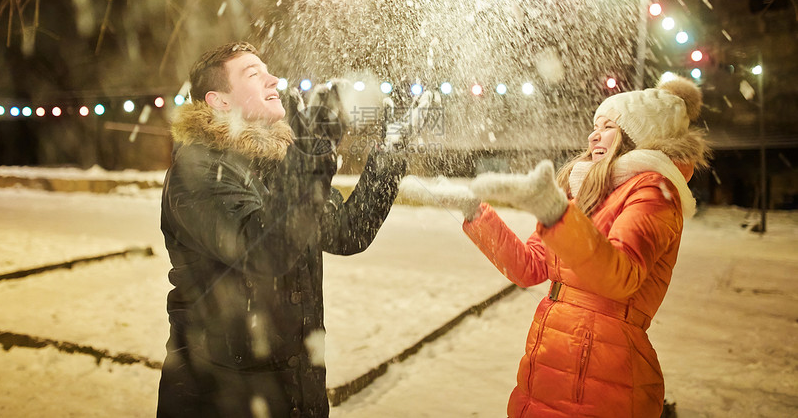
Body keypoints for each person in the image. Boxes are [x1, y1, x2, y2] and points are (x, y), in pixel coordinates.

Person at [157, 42, 406, 418]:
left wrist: (391, 152)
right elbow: (263, 250)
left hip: (296, 391)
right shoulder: (197, 172)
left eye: (267, 69)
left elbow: (347, 231)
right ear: (219, 101)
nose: (273, 79)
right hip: (221, 397)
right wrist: (309, 150)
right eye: (253, 74)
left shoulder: (278, 163)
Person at [462, 75, 709, 417]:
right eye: (595, 126)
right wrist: (474, 213)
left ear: (637, 139)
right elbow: (531, 267)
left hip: (604, 372)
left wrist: (556, 214)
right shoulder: (588, 190)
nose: (594, 134)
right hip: (551, 355)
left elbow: (620, 275)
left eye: (608, 126)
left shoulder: (654, 191)